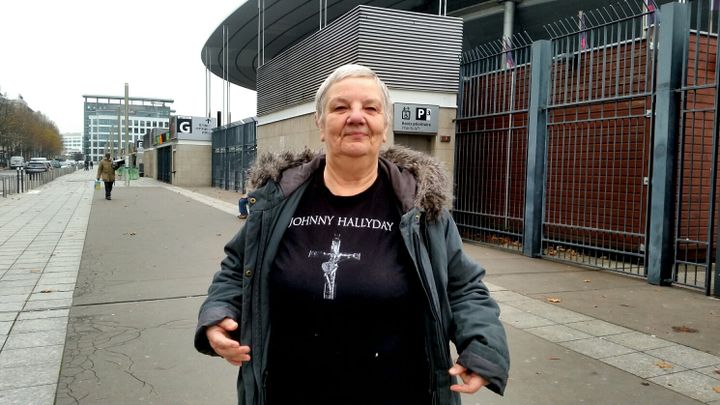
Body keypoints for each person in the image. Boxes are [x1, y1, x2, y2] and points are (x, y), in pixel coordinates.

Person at [194, 64, 509, 405]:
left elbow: (464, 287)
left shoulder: (419, 208)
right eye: (341, 107)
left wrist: (482, 346)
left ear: (384, 125)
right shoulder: (277, 200)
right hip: (288, 390)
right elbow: (236, 268)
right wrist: (219, 314)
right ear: (320, 123)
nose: (356, 117)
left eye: (370, 108)